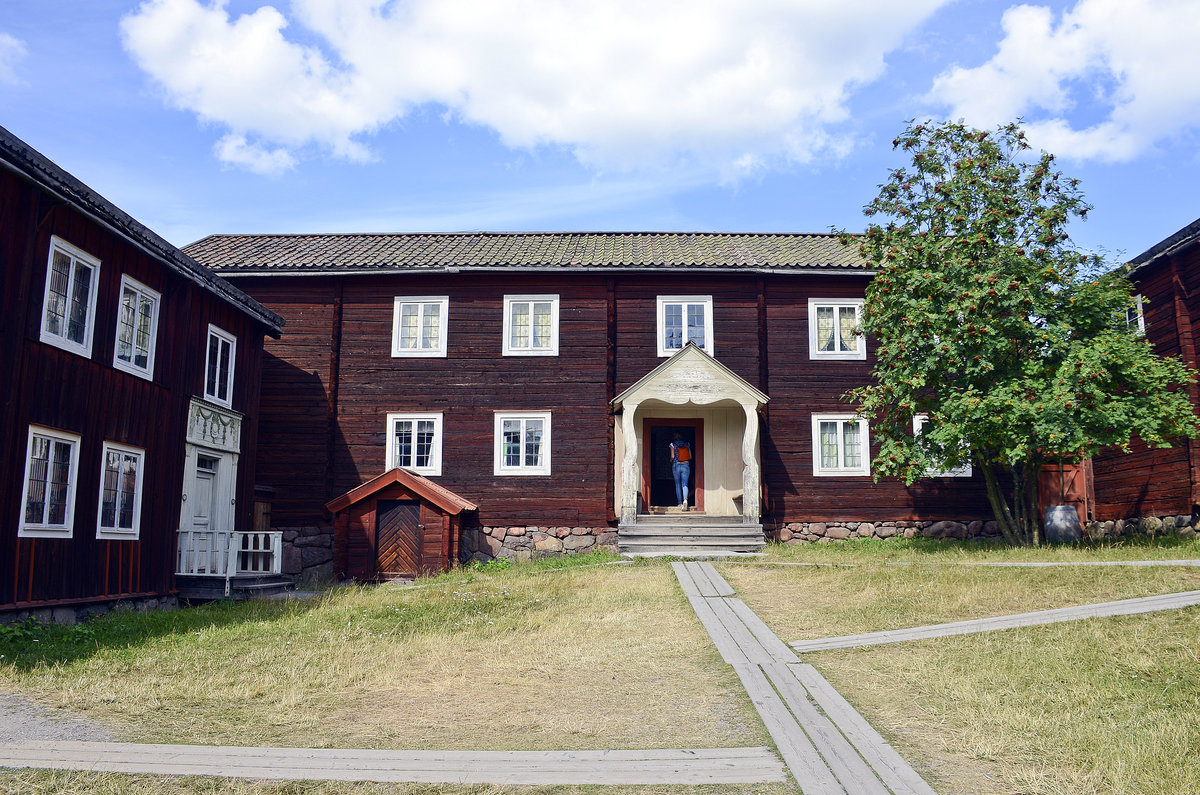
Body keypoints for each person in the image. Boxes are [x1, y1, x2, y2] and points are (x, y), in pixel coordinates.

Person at [670, 432, 692, 510]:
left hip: (676, 465)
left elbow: (672, 456)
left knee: (677, 484)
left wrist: (670, 460)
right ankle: (685, 500)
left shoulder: (672, 444)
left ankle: (679, 503)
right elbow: (690, 456)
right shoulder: (687, 444)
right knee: (685, 484)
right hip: (685, 465)